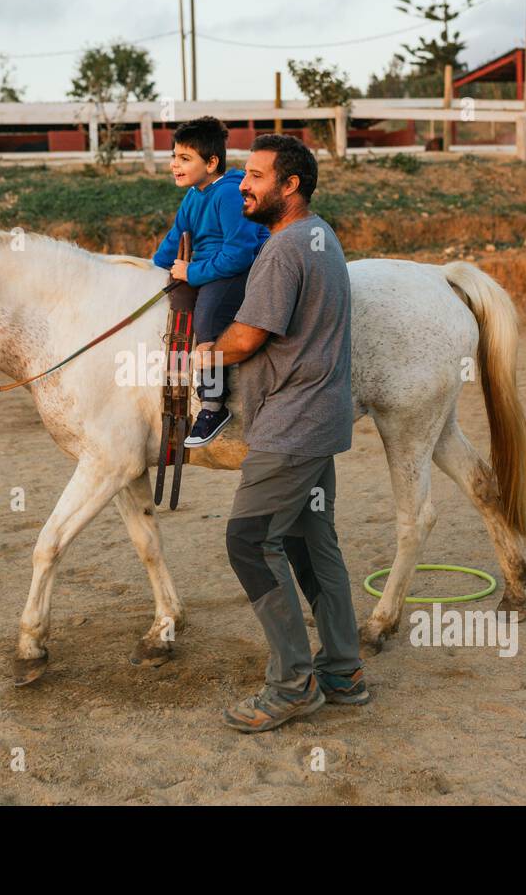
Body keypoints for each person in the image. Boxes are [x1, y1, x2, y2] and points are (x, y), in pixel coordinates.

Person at [193, 133, 365, 733]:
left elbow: (247, 337)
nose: (244, 184)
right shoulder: (323, 237)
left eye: (257, 176)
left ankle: (292, 684)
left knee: (247, 541)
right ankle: (342, 668)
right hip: (322, 419)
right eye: (243, 174)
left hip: (290, 425)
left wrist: (204, 353)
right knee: (309, 543)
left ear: (289, 186)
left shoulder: (284, 248)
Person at [151, 116, 269, 447]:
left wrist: (193, 273)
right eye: (174, 157)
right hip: (209, 268)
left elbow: (240, 252)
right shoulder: (193, 196)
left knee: (208, 316)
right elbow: (174, 240)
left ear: (212, 162)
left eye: (185, 158)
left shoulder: (229, 194)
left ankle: (214, 404)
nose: (175, 165)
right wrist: (149, 271)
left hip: (239, 270)